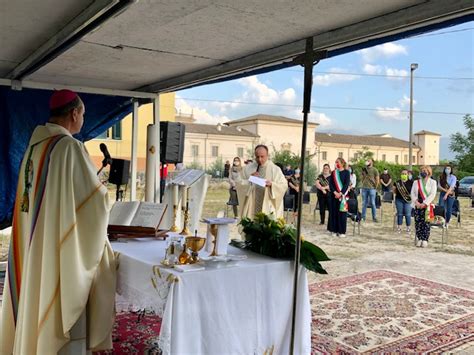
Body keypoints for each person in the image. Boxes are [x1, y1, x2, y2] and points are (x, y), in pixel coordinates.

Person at [0, 90, 116, 354]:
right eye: (83, 115)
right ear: (74, 113)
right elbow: (93, 201)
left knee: (34, 293)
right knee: (70, 285)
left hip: (33, 241)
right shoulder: (69, 147)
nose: (83, 121)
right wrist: (102, 189)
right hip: (55, 246)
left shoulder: (34, 148)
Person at [236, 145, 288, 220]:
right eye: (257, 157)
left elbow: (283, 185)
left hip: (268, 205)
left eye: (262, 156)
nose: (260, 159)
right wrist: (250, 179)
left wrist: (272, 185)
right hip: (252, 205)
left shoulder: (275, 169)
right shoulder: (248, 168)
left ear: (267, 155)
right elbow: (239, 183)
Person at [410, 165, 437, 248]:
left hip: (428, 205)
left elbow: (433, 194)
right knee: (418, 223)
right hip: (417, 205)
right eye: (422, 170)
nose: (423, 172)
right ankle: (419, 238)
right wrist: (417, 202)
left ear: (429, 172)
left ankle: (425, 239)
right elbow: (412, 193)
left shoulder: (433, 182)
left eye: (425, 171)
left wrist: (425, 203)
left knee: (426, 223)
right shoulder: (416, 182)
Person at [328, 158, 351, 237]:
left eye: (337, 162)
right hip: (334, 195)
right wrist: (335, 192)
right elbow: (330, 184)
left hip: (343, 197)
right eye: (335, 162)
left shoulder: (347, 172)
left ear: (342, 163)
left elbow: (346, 184)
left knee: (342, 214)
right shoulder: (334, 173)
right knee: (334, 212)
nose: (336, 163)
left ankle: (341, 231)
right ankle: (334, 230)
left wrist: (340, 193)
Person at [393, 169, 414, 233]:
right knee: (400, 214)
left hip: (408, 201)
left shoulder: (411, 182)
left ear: (408, 174)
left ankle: (408, 228)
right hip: (399, 200)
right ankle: (399, 227)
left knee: (408, 214)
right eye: (402, 174)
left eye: (405, 174)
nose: (404, 175)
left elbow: (414, 191)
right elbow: (394, 191)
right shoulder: (397, 183)